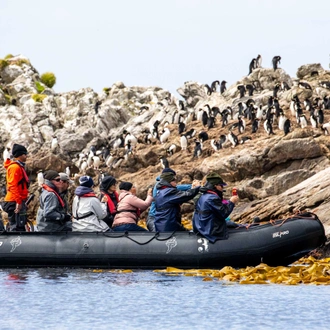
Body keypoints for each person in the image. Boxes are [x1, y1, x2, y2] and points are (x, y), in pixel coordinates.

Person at [192, 172, 239, 242]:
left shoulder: (204, 195)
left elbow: (219, 208)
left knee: (232, 224)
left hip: (201, 227)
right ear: (216, 186)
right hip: (210, 230)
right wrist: (232, 202)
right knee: (232, 224)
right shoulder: (212, 198)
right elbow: (224, 213)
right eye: (221, 185)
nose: (222, 188)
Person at [2, 143, 30, 231]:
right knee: (16, 226)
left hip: (17, 200)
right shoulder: (15, 168)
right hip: (14, 201)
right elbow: (13, 186)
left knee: (20, 224)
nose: (26, 156)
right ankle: (14, 243)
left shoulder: (17, 166)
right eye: (25, 154)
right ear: (20, 155)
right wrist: (18, 202)